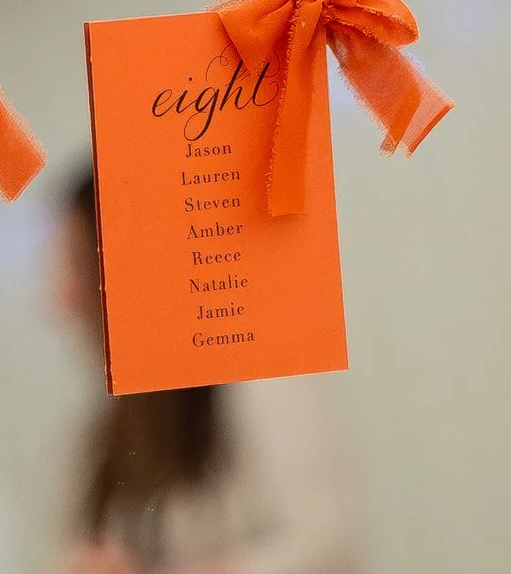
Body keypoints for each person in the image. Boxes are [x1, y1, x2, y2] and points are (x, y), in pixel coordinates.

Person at [47, 168, 361, 574]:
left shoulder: (260, 381)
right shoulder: (101, 432)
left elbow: (330, 546)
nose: (61, 300)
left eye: (75, 266)